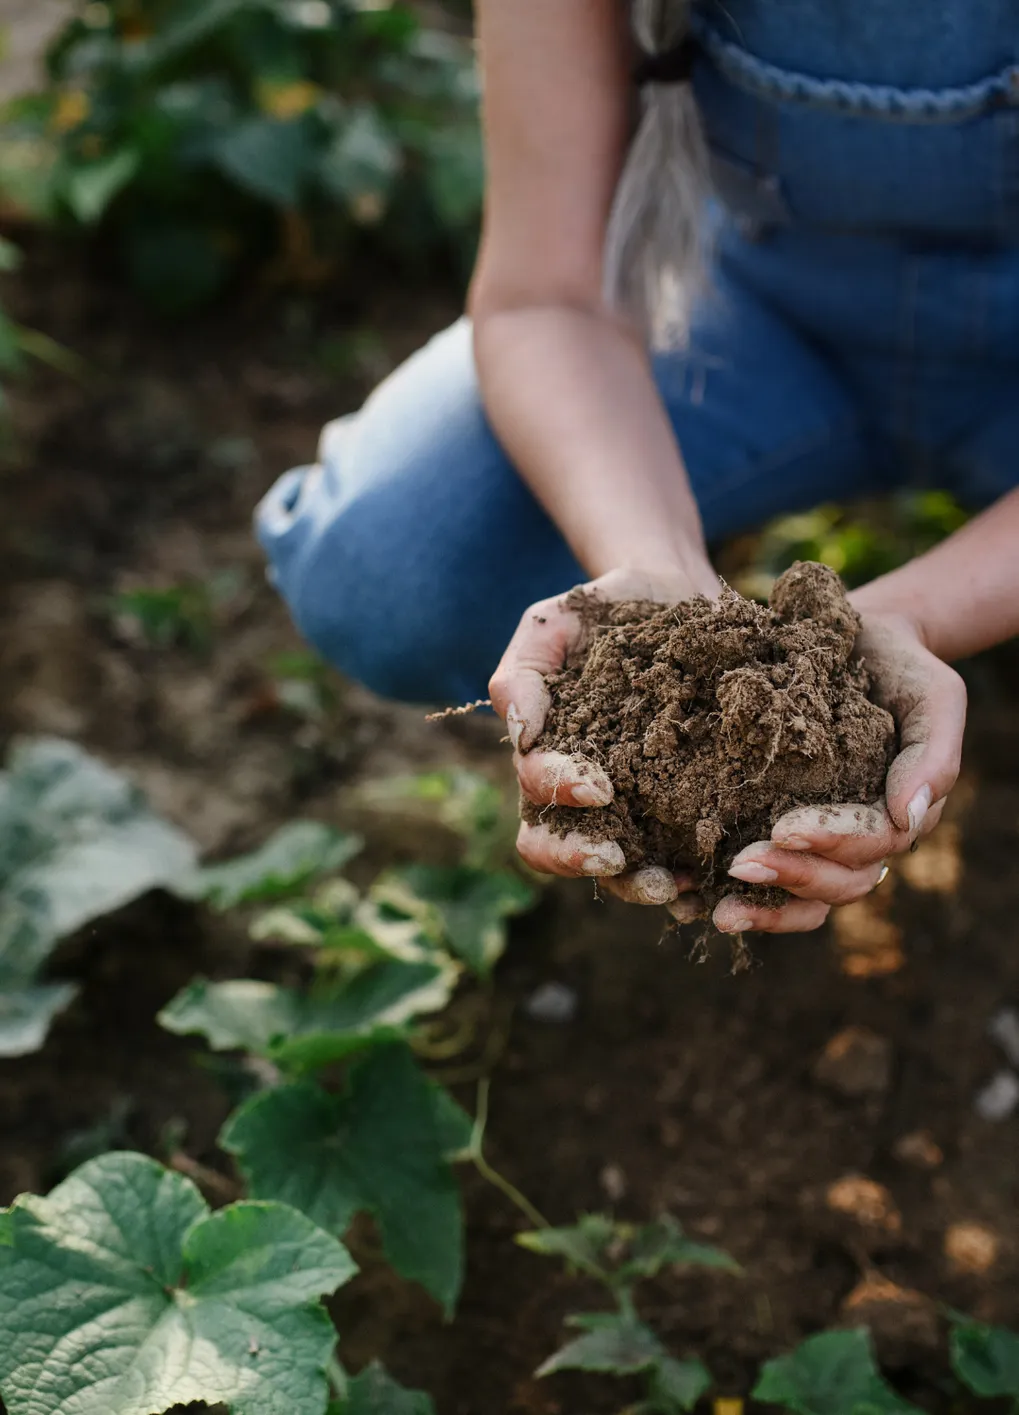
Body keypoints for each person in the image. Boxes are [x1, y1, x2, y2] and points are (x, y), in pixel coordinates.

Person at [256, 0, 1019, 938]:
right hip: (745, 298)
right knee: (390, 565)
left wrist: (919, 612)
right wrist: (654, 588)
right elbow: (549, 296)